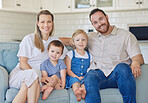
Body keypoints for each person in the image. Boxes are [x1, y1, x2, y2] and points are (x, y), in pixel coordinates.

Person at [59, 8, 144, 103]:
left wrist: (135, 62)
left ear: (106, 17)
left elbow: (138, 57)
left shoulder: (126, 35)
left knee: (123, 67)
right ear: (93, 25)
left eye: (101, 19)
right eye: (95, 22)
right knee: (90, 75)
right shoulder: (89, 37)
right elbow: (71, 41)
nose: (99, 24)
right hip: (98, 76)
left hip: (118, 75)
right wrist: (48, 40)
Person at [9, 10, 68, 103]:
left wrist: (56, 78)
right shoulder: (29, 39)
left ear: (52, 23)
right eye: (42, 22)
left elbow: (64, 60)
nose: (46, 25)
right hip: (21, 74)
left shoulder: (55, 41)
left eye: (49, 21)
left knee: (26, 86)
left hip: (38, 78)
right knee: (34, 75)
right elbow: (22, 63)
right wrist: (39, 77)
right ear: (37, 23)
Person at [65, 29, 93, 102]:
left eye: (83, 40)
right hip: (73, 76)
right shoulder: (70, 54)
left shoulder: (89, 56)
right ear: (73, 42)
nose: (81, 42)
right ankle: (77, 92)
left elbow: (90, 70)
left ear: (87, 42)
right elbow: (68, 70)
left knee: (85, 83)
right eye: (77, 40)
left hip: (84, 76)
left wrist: (85, 77)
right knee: (75, 82)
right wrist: (77, 77)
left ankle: (83, 91)